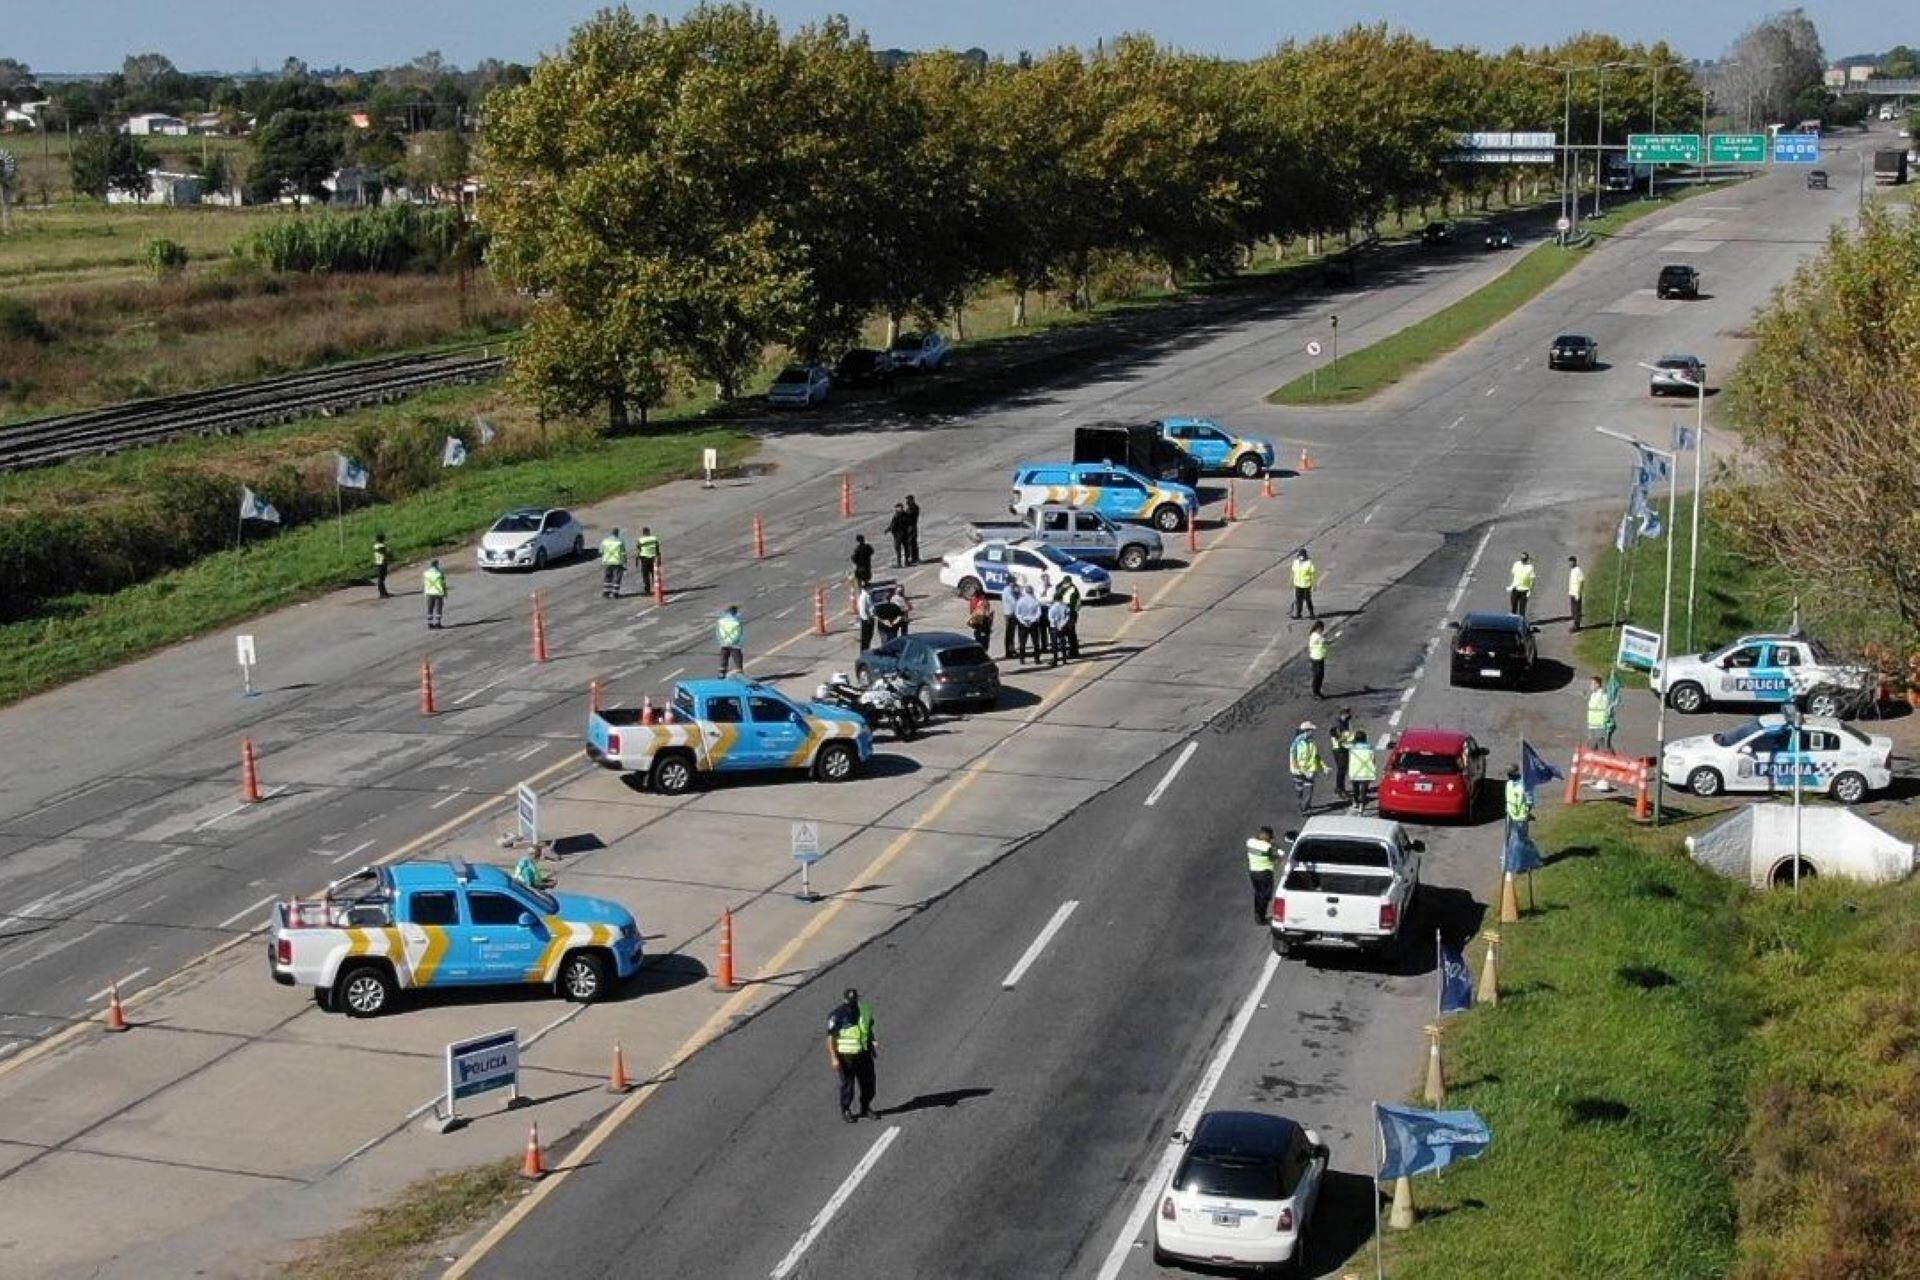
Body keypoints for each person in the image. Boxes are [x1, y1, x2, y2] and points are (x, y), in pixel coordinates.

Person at [826, 987, 877, 1122]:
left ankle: (865, 1108)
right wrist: (834, 1058)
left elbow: (868, 1029)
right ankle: (846, 1110)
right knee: (848, 1086)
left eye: (854, 1000)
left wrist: (872, 1045)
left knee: (869, 1084)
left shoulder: (864, 1010)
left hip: (864, 1054)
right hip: (846, 1057)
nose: (852, 1003)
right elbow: (830, 1039)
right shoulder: (837, 1015)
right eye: (850, 1000)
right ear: (844, 1000)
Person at [1245, 825, 1280, 925]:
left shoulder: (1250, 842)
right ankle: (1261, 918)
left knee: (1258, 893)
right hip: (1265, 874)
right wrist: (1274, 845)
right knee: (1265, 896)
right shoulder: (1268, 847)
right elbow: (1275, 859)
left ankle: (1257, 914)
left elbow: (1257, 844)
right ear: (1269, 836)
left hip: (1253, 873)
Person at [1289, 720, 1325, 812]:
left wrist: (1323, 766)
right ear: (1306, 731)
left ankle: (1305, 807)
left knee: (1309, 790)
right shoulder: (1297, 742)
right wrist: (1296, 768)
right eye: (1311, 730)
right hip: (1298, 771)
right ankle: (1302, 807)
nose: (1313, 732)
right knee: (1299, 790)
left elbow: (1315, 755)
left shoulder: (1312, 742)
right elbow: (1293, 756)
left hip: (1309, 771)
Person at [1347, 730, 1378, 812]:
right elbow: (1373, 759)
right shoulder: (1369, 748)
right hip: (1366, 771)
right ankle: (1362, 805)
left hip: (1355, 771)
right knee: (1364, 789)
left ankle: (1355, 802)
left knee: (1355, 788)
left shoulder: (1352, 748)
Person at [1052, 575, 1082, 659]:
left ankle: (1073, 651)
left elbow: (1077, 604)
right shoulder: (1059, 587)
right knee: (1065, 633)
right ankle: (1068, 651)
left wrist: (1073, 611)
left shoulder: (1073, 590)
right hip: (1062, 612)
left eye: (1066, 583)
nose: (1065, 584)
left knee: (1071, 633)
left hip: (1070, 613)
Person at [1014, 586, 1045, 665]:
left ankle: (1022, 659)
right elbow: (1039, 613)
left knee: (1022, 642)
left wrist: (1023, 622)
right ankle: (1037, 659)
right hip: (1033, 623)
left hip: (1023, 623)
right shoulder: (1035, 601)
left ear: (1026, 591)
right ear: (1032, 592)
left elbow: (1017, 613)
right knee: (1036, 642)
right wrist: (1032, 620)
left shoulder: (1020, 601)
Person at [1329, 709, 1354, 793]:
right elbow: (1335, 735)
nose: (1349, 715)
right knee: (1341, 769)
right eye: (1348, 714)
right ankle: (1340, 788)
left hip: (1344, 748)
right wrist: (1343, 739)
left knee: (1343, 769)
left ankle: (1340, 787)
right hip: (1339, 749)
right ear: (1343, 714)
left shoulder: (1345, 721)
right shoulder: (1337, 725)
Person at [716, 605, 745, 677]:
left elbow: (718, 633)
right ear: (735, 612)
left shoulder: (720, 621)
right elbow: (740, 633)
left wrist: (721, 641)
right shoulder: (737, 621)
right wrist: (738, 642)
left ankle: (722, 673)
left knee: (724, 657)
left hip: (724, 643)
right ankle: (739, 673)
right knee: (737, 658)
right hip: (735, 644)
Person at [1289, 549, 1318, 620]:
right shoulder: (1295, 562)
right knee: (1298, 600)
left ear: (1305, 556)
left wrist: (1314, 584)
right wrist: (1291, 581)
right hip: (1298, 584)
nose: (1301, 557)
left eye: (1302, 556)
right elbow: (1293, 572)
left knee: (1308, 600)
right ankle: (1298, 614)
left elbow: (1313, 574)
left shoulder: (1309, 563)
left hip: (1306, 584)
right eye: (1300, 556)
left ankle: (1311, 614)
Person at [599, 527, 627, 598]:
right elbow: (623, 554)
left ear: (611, 533)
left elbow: (601, 552)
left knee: (608, 577)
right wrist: (625, 562)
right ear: (617, 533)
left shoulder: (605, 541)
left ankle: (606, 592)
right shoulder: (620, 542)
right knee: (617, 578)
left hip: (607, 562)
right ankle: (615, 593)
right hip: (617, 562)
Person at [1504, 764, 1533, 833]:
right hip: (1510, 815)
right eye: (1508, 773)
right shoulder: (1509, 783)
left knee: (1521, 837)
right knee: (1509, 836)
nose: (1508, 775)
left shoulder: (1524, 784)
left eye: (1510, 773)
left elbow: (1529, 802)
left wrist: (1527, 813)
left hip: (1521, 818)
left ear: (1516, 773)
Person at [1046, 593, 1072, 667]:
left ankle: (1055, 660)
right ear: (1061, 598)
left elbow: (1050, 617)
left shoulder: (1052, 607)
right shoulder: (1065, 606)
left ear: (1054, 599)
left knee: (1054, 644)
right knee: (1063, 643)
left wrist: (1055, 624)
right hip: (1063, 627)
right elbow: (1067, 616)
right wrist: (1062, 624)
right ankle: (1064, 660)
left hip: (1054, 627)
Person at [1307, 621, 1331, 699]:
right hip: (1316, 659)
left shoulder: (1315, 635)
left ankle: (1316, 692)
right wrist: (1336, 637)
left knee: (1319, 675)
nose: (1322, 630)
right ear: (1317, 628)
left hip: (1318, 657)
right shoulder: (1316, 636)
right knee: (1318, 675)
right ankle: (1316, 692)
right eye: (1321, 628)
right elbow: (1326, 642)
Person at [1509, 551, 1536, 617]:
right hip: (1516, 588)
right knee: (1513, 606)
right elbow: (1513, 574)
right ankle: (1513, 619)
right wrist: (1511, 585)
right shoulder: (1516, 564)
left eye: (1524, 559)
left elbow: (1532, 579)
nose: (1523, 560)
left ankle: (1521, 621)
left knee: (1522, 609)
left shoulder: (1530, 567)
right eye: (1522, 558)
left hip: (1524, 590)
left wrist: (1530, 590)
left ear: (1527, 559)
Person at [422, 559, 447, 629]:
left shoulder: (426, 573)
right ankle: (438, 623)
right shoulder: (440, 572)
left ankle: (429, 624)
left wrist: (425, 592)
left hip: (429, 592)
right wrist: (445, 594)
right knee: (438, 608)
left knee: (430, 608)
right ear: (436, 564)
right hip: (438, 592)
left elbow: (424, 583)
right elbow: (443, 584)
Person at [635, 526, 661, 595]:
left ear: (643, 533)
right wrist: (659, 559)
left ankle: (647, 590)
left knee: (645, 575)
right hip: (653, 558)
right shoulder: (654, 539)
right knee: (654, 574)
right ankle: (656, 588)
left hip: (644, 559)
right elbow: (657, 549)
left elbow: (638, 550)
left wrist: (637, 560)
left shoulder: (640, 540)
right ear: (649, 532)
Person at [1000, 580, 1021, 660]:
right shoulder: (1007, 590)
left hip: (1011, 613)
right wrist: (1019, 597)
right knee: (1009, 633)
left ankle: (1012, 650)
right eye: (1013, 582)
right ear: (1010, 583)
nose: (1015, 584)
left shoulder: (1010, 590)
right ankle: (1008, 652)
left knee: (1011, 633)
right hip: (1009, 614)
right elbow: (1013, 602)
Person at [886, 503, 911, 568]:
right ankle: (906, 562)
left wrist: (888, 530)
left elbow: (893, 525)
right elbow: (909, 523)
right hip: (905, 534)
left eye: (897, 508)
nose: (896, 509)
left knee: (898, 550)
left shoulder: (896, 516)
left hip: (898, 535)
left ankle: (899, 563)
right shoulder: (906, 515)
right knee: (906, 548)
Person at [1566, 555, 1585, 633]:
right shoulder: (1572, 570)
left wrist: (1579, 592)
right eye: (1569, 562)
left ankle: (1576, 626)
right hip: (1572, 593)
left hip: (1576, 593)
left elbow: (1581, 581)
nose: (1570, 564)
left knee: (1577, 610)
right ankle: (1575, 624)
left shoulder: (1578, 570)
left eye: (1571, 562)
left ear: (1574, 562)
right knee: (1573, 610)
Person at [856, 584, 877, 652]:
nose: (871, 589)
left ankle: (867, 649)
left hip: (870, 618)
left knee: (870, 636)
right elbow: (862, 610)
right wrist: (867, 619)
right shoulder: (863, 597)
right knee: (866, 638)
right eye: (870, 588)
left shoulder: (868, 595)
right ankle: (864, 651)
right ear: (866, 588)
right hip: (867, 621)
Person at [903, 494, 921, 565]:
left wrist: (903, 514)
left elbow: (908, 516)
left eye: (908, 500)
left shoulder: (913, 507)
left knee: (912, 543)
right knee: (911, 543)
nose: (907, 502)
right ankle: (914, 558)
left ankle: (914, 558)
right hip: (910, 527)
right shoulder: (910, 507)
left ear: (911, 500)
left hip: (911, 527)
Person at [372, 532, 391, 599]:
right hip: (382, 563)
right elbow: (385, 552)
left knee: (382, 578)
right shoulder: (381, 546)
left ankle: (384, 592)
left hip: (380, 563)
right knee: (381, 579)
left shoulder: (376, 545)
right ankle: (382, 593)